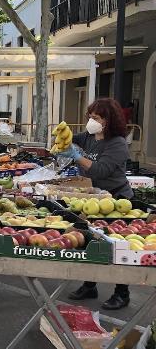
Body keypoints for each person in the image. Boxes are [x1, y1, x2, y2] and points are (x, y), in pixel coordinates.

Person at [59, 98, 133, 310]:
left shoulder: (118, 144)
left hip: (117, 201)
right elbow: (72, 137)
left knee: (117, 245)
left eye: (96, 118)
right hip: (93, 198)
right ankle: (89, 284)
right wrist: (61, 138)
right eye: (90, 117)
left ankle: (122, 292)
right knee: (90, 242)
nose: (91, 121)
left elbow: (100, 170)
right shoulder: (90, 136)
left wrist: (76, 156)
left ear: (109, 120)